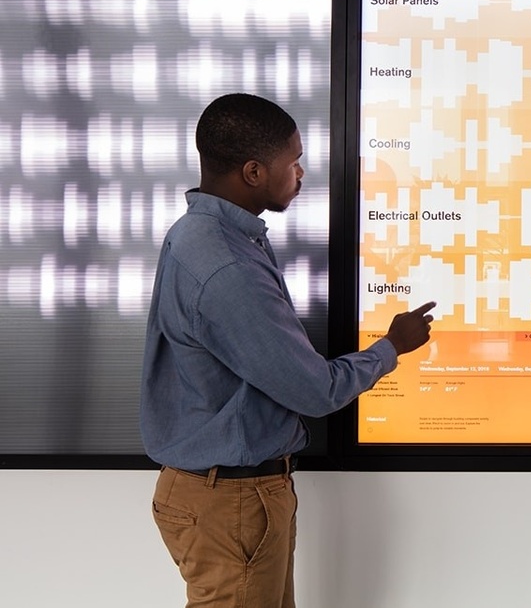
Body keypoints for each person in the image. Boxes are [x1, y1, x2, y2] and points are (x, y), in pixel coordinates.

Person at [140, 93, 435, 608]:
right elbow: (315, 390)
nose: (301, 173)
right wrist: (393, 346)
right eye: (293, 161)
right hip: (230, 503)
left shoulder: (207, 236)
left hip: (228, 497)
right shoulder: (225, 265)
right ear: (254, 171)